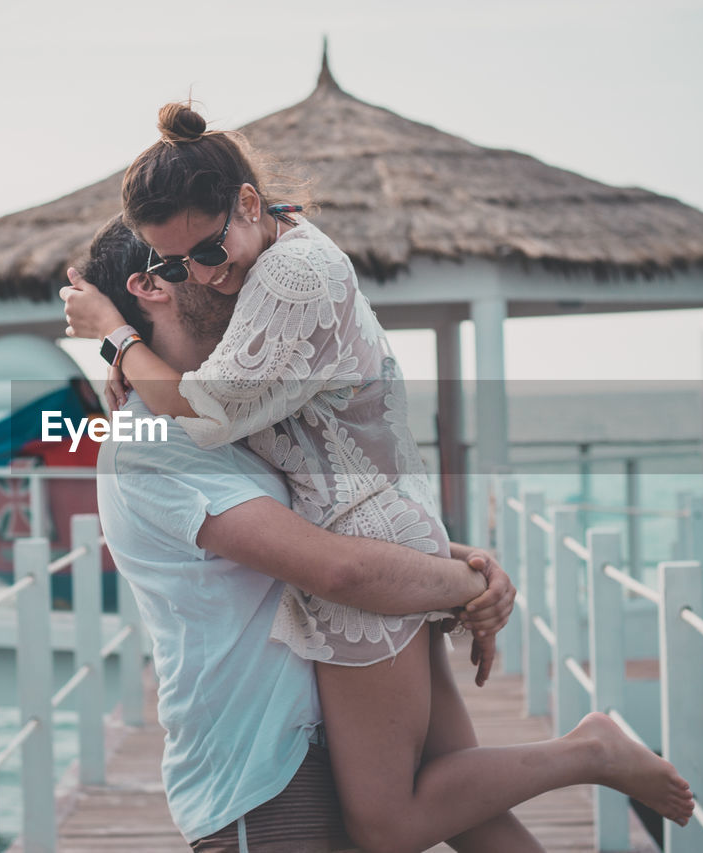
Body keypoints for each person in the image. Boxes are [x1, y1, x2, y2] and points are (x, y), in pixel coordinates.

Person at [62, 102, 694, 852]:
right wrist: (452, 568)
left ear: (249, 204)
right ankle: (589, 749)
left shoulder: (285, 281)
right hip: (365, 557)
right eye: (183, 263)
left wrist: (118, 340)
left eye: (203, 252)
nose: (211, 275)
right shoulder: (168, 419)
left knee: (390, 822)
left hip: (361, 550)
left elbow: (319, 538)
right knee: (459, 791)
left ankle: (589, 750)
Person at [83, 215, 516, 851]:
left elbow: (312, 524)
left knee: (482, 826)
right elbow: (334, 568)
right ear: (154, 285)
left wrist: (460, 561)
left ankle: (596, 753)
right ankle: (592, 753)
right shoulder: (148, 441)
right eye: (205, 261)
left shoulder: (241, 408)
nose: (235, 277)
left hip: (331, 725)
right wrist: (463, 583)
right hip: (264, 774)